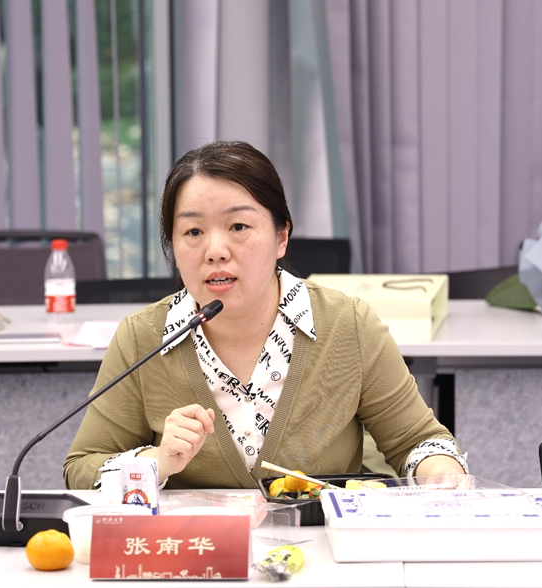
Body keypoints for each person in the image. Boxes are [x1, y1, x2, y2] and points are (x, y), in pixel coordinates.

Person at [64, 140, 467, 490]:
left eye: (239, 226)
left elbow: (418, 442)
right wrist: (158, 461)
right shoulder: (143, 337)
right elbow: (81, 469)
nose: (215, 251)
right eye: (193, 232)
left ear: (281, 237)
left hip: (319, 546)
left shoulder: (348, 324)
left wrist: (440, 474)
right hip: (201, 549)